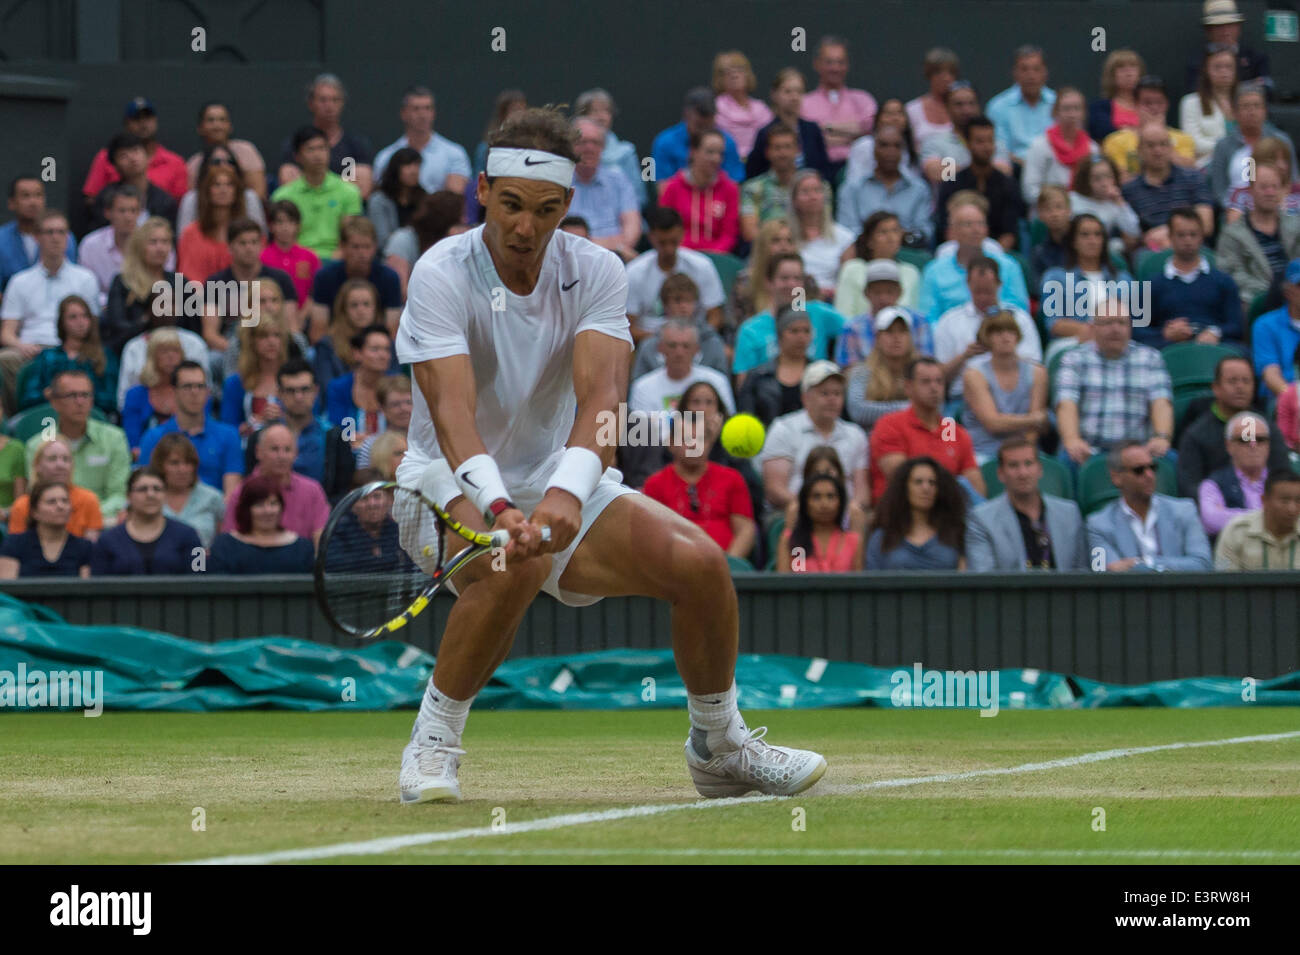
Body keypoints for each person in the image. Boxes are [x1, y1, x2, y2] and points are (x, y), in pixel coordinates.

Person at [393, 107, 825, 803]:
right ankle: (434, 742)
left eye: (544, 209)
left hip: (561, 476)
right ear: (482, 191)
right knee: (514, 562)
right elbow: (450, 414)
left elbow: (602, 398)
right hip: (443, 479)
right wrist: (502, 505)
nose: (525, 227)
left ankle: (719, 746)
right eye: (509, 205)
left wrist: (564, 491)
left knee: (701, 563)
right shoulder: (440, 272)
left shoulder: (596, 270)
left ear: (568, 203)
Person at [0, 211, 99, 414]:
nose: (55, 237)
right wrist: (21, 345)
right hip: (31, 350)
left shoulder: (85, 279)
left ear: (68, 237)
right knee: (4, 359)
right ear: (37, 237)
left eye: (61, 232)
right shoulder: (20, 281)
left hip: (72, 347)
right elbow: (6, 333)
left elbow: (93, 327)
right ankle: (15, 419)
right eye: (49, 232)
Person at [1056, 297, 1173, 465]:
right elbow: (1066, 404)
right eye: (1108, 323)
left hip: (1138, 451)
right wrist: (1072, 439)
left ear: (1130, 327)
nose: (1115, 329)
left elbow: (1161, 402)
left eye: (1121, 323)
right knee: (1066, 461)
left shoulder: (1150, 358)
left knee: (1170, 460)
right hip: (1088, 451)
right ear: (1093, 327)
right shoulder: (1073, 359)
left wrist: (1161, 437)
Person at [758, 361, 869, 517]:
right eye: (824, 393)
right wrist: (816, 511)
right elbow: (775, 490)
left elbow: (862, 492)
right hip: (797, 515)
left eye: (837, 393)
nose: (832, 399)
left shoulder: (855, 434)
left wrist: (843, 513)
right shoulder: (784, 429)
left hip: (844, 520)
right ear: (805, 397)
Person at [869, 357, 985, 502]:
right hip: (900, 514)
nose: (934, 388)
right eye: (925, 381)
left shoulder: (954, 431)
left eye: (939, 381)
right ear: (908, 388)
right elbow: (902, 479)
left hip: (947, 513)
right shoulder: (889, 425)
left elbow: (976, 488)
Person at [643, 412, 757, 561]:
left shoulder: (732, 478)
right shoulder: (655, 484)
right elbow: (651, 535)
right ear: (671, 444)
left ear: (710, 443)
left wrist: (730, 563)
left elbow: (746, 529)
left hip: (726, 566)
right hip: (673, 567)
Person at [1085, 441, 1212, 571]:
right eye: (1139, 470)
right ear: (1116, 477)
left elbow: (1202, 564)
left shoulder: (1185, 510)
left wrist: (1145, 563)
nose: (1149, 475)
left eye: (1152, 467)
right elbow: (1102, 571)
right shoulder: (1098, 525)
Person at [965, 438, 1088, 571]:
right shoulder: (982, 519)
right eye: (1013, 465)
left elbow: (1081, 572)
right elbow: (983, 580)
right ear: (1001, 474)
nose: (1023, 473)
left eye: (1028, 464)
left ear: (1040, 469)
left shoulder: (1069, 513)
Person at [24, 370, 130, 522]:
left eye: (85, 395)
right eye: (71, 395)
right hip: (51, 520)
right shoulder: (37, 445)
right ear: (54, 402)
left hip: (101, 520)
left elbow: (119, 495)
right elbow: (36, 495)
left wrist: (85, 515)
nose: (80, 402)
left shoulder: (114, 438)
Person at [1178, 355, 1291, 495]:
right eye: (1232, 381)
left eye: (1246, 381)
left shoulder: (1266, 429)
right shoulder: (1196, 434)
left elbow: (1283, 477)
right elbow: (1190, 487)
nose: (1240, 387)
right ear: (1215, 388)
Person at [934, 259, 1041, 397]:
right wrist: (964, 356)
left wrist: (1005, 352)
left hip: (1015, 396)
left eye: (988, 291)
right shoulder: (949, 321)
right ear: (968, 284)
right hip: (964, 397)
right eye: (978, 291)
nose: (983, 297)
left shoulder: (1020, 319)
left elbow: (1036, 370)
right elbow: (938, 376)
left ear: (999, 285)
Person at [919, 192, 1029, 322]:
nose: (976, 230)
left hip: (999, 333)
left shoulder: (1009, 266)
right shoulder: (934, 271)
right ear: (952, 231)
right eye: (968, 224)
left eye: (981, 223)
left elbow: (1020, 311)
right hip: (951, 337)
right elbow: (928, 317)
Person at [138, 360, 243, 496]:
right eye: (187, 386)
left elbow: (232, 494)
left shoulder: (229, 435)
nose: (195, 392)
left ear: (208, 392)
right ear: (174, 392)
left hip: (213, 513)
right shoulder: (153, 437)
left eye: (200, 386)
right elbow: (146, 487)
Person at [732, 253, 845, 380]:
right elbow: (744, 384)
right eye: (784, 278)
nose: (792, 284)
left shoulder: (819, 313)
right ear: (769, 282)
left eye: (797, 278)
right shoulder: (750, 330)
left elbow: (852, 328)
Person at [1144, 207, 1242, 348]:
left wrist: (1216, 332)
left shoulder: (1224, 281)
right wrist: (1165, 333)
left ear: (1201, 237)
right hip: (1167, 350)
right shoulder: (1150, 284)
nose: (1188, 240)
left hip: (1213, 350)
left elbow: (1237, 325)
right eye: (1181, 235)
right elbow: (1136, 329)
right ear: (1170, 237)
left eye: (1193, 234)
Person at [625, 207, 726, 342]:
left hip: (697, 340)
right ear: (651, 237)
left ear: (682, 234)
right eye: (662, 243)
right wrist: (668, 339)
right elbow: (628, 327)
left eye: (673, 241)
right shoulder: (634, 272)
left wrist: (692, 339)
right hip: (650, 343)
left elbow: (716, 316)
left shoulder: (703, 266)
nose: (668, 249)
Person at [961, 311, 1050, 464]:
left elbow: (1034, 430)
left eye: (1010, 331)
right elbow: (993, 423)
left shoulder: (1037, 372)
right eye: (997, 332)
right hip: (984, 450)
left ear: (1018, 336)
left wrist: (1023, 452)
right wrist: (1032, 419)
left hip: (1025, 449)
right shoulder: (974, 375)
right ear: (987, 338)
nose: (1005, 336)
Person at [260, 359, 355, 499]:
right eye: (291, 391)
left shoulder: (335, 437)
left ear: (316, 391)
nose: (298, 397)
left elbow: (341, 493)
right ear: (279, 394)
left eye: (305, 389)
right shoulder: (262, 437)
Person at [202, 218, 299, 354]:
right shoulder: (215, 283)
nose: (249, 248)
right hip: (230, 347)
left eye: (254, 242)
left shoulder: (280, 279)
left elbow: (292, 327)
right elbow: (210, 335)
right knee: (213, 359)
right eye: (242, 243)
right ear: (229, 247)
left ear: (261, 245)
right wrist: (240, 352)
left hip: (275, 346)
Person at [223, 423, 328, 547]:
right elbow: (230, 543)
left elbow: (321, 541)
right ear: (258, 452)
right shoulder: (241, 493)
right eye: (274, 449)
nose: (281, 456)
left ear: (296, 453)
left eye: (287, 450)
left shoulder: (313, 491)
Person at [1040, 213, 1135, 344]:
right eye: (1085, 235)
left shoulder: (1123, 279)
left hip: (1117, 344)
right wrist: (1098, 331)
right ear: (1073, 241)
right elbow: (1054, 324)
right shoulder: (1055, 277)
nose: (1092, 240)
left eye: (1098, 234)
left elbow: (1135, 321)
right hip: (1073, 343)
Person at [270, 126, 364, 260]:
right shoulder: (282, 196)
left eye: (322, 148)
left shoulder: (349, 192)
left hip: (336, 260)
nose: (317, 155)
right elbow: (281, 241)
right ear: (297, 156)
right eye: (310, 149)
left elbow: (350, 236)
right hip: (296, 259)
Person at [1216, 163, 1300, 312]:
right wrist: (1276, 291)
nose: (1270, 192)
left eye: (1275, 187)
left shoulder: (1296, 226)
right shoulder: (1233, 234)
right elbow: (1231, 275)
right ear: (1250, 190)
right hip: (1256, 303)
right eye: (1264, 187)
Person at [933, 116, 1023, 252]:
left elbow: (1010, 233)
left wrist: (993, 256)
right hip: (958, 252)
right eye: (980, 141)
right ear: (968, 144)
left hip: (996, 253)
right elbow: (945, 228)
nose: (986, 147)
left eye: (990, 141)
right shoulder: (951, 180)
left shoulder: (1008, 183)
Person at [16, 295, 117, 416]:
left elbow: (111, 400)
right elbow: (27, 399)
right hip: (49, 418)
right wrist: (51, 395)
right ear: (62, 322)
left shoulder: (104, 356)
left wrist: (83, 395)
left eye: (85, 316)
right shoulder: (46, 357)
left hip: (90, 418)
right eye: (73, 317)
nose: (80, 322)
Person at [102, 216, 190, 353]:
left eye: (165, 242)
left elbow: (191, 327)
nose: (160, 248)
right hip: (132, 351)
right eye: (153, 242)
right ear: (140, 246)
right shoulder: (123, 282)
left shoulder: (181, 283)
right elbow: (117, 327)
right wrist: (146, 319)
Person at [276, 74, 374, 198]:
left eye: (335, 100)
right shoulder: (294, 143)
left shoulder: (356, 144)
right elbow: (288, 183)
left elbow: (361, 189)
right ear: (311, 104)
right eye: (323, 100)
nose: (329, 106)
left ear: (342, 103)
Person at [1120, 122, 1215, 249]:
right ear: (1139, 150)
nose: (1158, 150)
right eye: (1150, 145)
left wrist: (1168, 232)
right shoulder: (1129, 189)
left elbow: (1206, 225)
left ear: (1171, 148)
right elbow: (1130, 239)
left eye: (1163, 144)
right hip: (1152, 251)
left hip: (1191, 247)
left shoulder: (1193, 178)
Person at [89, 468, 201, 575]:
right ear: (128, 496)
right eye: (142, 489)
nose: (150, 495)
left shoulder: (190, 535)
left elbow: (202, 579)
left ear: (165, 494)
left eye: (157, 489)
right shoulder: (106, 541)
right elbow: (97, 584)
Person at [834, 125, 931, 246]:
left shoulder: (918, 189)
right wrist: (877, 239)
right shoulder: (852, 188)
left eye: (897, 146)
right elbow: (846, 230)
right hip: (863, 253)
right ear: (874, 150)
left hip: (907, 252)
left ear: (903, 151)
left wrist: (900, 238)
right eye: (884, 145)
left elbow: (924, 231)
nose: (891, 152)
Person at [307, 217, 402, 340]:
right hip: (336, 342)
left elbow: (392, 331)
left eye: (367, 247)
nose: (362, 253)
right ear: (342, 247)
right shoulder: (324, 277)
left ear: (375, 247)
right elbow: (318, 330)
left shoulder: (390, 278)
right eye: (355, 247)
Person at [81, 97, 189, 205]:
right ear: (127, 124)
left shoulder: (175, 162)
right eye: (136, 118)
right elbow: (92, 199)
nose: (143, 123)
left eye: (148, 117)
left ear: (155, 120)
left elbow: (180, 204)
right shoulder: (105, 157)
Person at [865, 456, 965, 570]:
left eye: (932, 483)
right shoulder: (883, 537)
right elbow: (871, 581)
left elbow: (967, 579)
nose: (926, 488)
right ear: (904, 488)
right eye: (918, 482)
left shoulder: (956, 532)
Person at [77, 185, 169, 307]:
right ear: (108, 213)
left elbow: (164, 278)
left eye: (133, 211)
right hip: (101, 310)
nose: (128, 217)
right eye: (122, 211)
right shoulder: (90, 245)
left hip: (145, 307)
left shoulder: (156, 242)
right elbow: (86, 287)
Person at [799, 36, 877, 178]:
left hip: (859, 172)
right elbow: (806, 139)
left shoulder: (863, 99)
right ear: (817, 64)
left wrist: (825, 128)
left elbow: (871, 128)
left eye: (840, 62)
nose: (835, 68)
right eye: (829, 62)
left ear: (847, 65)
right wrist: (852, 136)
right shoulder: (804, 103)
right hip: (818, 173)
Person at [1207, 84, 1298, 205]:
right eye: (1245, 106)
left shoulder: (1282, 141)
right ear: (1235, 112)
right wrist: (1235, 206)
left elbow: (1293, 181)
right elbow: (1219, 190)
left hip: (1279, 206)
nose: (1252, 112)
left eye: (1257, 106)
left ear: (1265, 111)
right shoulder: (1223, 145)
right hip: (1234, 209)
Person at [372, 86, 469, 196]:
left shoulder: (454, 153)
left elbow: (454, 198)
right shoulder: (386, 157)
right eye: (416, 109)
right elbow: (381, 197)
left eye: (427, 108)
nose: (422, 115)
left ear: (434, 113)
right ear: (403, 114)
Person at [568, 118, 642, 261]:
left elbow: (633, 228)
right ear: (571, 146)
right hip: (570, 258)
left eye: (595, 143)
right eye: (583, 142)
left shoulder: (619, 179)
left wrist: (587, 243)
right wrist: (613, 244)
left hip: (615, 258)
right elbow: (556, 233)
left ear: (602, 147)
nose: (589, 148)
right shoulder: (560, 181)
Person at [210, 473, 316, 573]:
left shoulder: (302, 548)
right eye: (259, 505)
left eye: (273, 503)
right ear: (246, 509)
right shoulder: (225, 546)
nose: (268, 511)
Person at [629, 319, 734, 417]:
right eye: (672, 345)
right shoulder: (642, 387)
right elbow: (640, 434)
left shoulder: (717, 382)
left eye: (686, 346)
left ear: (697, 349)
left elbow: (727, 422)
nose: (679, 353)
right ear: (660, 348)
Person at [630, 274, 729, 379]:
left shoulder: (712, 343)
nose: (683, 306)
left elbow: (722, 383)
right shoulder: (649, 346)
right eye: (678, 301)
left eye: (689, 301)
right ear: (665, 305)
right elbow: (639, 384)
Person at [658, 129, 740, 254]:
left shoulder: (730, 189)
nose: (716, 159)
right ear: (693, 152)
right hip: (680, 255)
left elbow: (729, 235)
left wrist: (713, 254)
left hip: (717, 258)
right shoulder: (672, 188)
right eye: (710, 152)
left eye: (721, 153)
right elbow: (665, 230)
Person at [6, 437, 102, 540]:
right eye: (52, 459)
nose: (60, 465)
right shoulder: (22, 505)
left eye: (66, 459)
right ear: (37, 465)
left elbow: (91, 548)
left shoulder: (89, 500)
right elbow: (15, 548)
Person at [1103, 78, 1198, 180]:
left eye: (1159, 102)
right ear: (1136, 105)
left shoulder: (1184, 138)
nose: (1154, 108)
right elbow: (1121, 180)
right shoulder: (1115, 141)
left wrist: (1160, 136)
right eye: (1147, 103)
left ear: (1167, 105)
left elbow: (1190, 173)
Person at [746, 69, 833, 181]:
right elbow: (754, 172)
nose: (794, 97)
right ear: (774, 94)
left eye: (799, 91)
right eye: (788, 92)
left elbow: (824, 169)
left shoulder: (812, 129)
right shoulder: (765, 133)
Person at [846, 306, 922, 434]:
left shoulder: (921, 371)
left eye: (902, 331)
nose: (896, 338)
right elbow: (858, 411)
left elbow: (934, 405)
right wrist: (909, 409)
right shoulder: (861, 371)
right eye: (889, 332)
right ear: (878, 338)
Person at [653, 87, 746, 190]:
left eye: (709, 127)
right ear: (686, 115)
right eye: (699, 126)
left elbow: (734, 186)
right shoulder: (665, 143)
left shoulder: (727, 143)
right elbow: (663, 189)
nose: (704, 133)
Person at [312, 279, 395, 393]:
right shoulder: (327, 345)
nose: (361, 310)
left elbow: (396, 385)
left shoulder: (388, 343)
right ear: (343, 310)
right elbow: (327, 388)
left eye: (366, 304)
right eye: (354, 305)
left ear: (375, 309)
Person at [834, 213, 923, 320]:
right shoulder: (852, 269)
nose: (891, 238)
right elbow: (843, 315)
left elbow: (914, 315)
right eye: (883, 232)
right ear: (870, 240)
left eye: (895, 231)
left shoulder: (911, 272)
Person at [1198, 411, 1272, 538]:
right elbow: (1211, 520)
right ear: (1229, 445)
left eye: (1260, 439)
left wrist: (1229, 515)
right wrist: (1270, 518)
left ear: (1268, 445)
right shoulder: (1212, 484)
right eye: (1245, 439)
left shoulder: (1282, 482)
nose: (1253, 445)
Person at [1020, 87, 1097, 208]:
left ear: (1084, 113)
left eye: (1077, 108)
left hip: (1085, 212)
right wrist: (1059, 204)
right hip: (1048, 212)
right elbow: (1030, 191)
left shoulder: (1093, 149)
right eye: (1066, 109)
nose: (1072, 114)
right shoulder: (1040, 146)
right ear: (1055, 112)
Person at [0, 176, 77, 294]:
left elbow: (72, 280)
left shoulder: (63, 236)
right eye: (25, 196)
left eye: (38, 195)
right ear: (11, 203)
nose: (33, 202)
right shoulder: (2, 238)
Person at [0, 480, 92, 579]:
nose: (60, 506)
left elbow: (86, 590)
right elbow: (7, 588)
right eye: (51, 502)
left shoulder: (84, 547)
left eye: (65, 501)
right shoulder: (14, 544)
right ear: (34, 511)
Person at [221, 311, 292, 438]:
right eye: (264, 336)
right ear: (252, 341)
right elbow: (227, 431)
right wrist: (257, 422)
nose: (271, 341)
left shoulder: (294, 378)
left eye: (277, 335)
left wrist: (285, 418)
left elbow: (309, 421)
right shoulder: (236, 383)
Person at [88, 132, 179, 230]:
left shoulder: (165, 201)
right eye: (123, 156)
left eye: (136, 151)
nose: (132, 158)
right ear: (115, 166)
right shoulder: (105, 199)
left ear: (147, 156)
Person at [737, 306, 810, 427]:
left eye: (806, 331)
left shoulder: (822, 374)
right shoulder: (758, 376)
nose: (801, 337)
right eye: (794, 331)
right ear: (780, 335)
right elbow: (746, 416)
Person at [384, 190, 466, 297]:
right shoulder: (402, 239)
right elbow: (400, 291)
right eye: (462, 216)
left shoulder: (454, 244)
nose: (465, 220)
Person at [149, 432, 225, 548]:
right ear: (160, 465)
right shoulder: (148, 497)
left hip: (201, 564)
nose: (182, 469)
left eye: (188, 463)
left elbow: (223, 542)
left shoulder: (213, 497)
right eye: (174, 463)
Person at [1214, 469, 1300, 570]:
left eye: (1298, 501)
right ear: (1264, 500)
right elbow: (1223, 578)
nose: (1292, 509)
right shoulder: (1235, 531)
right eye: (1284, 501)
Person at [987, 45, 1056, 169]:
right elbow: (998, 149)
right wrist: (1026, 165)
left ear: (1045, 73)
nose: (1031, 75)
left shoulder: (1057, 103)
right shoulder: (998, 106)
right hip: (1013, 170)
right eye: (1024, 69)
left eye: (1036, 69)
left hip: (1051, 169)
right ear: (1015, 73)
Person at [326, 324, 394, 450]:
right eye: (375, 349)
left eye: (386, 349)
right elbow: (341, 432)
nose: (383, 355)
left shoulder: (396, 386)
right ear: (357, 353)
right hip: (351, 455)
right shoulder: (340, 388)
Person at [788, 170, 854, 297]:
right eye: (805, 192)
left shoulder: (844, 237)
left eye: (817, 191)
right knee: (797, 307)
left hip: (832, 298)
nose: (813, 197)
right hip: (796, 295)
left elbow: (847, 281)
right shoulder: (785, 235)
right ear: (794, 200)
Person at [778, 473, 862, 572]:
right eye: (816, 497)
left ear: (840, 502)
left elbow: (858, 584)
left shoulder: (853, 541)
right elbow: (788, 582)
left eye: (830, 496)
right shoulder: (791, 540)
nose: (824, 504)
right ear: (805, 502)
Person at [175, 145, 264, 237]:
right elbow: (182, 237)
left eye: (230, 162)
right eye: (216, 162)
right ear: (205, 166)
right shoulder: (192, 199)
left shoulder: (249, 197)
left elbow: (260, 237)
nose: (223, 166)